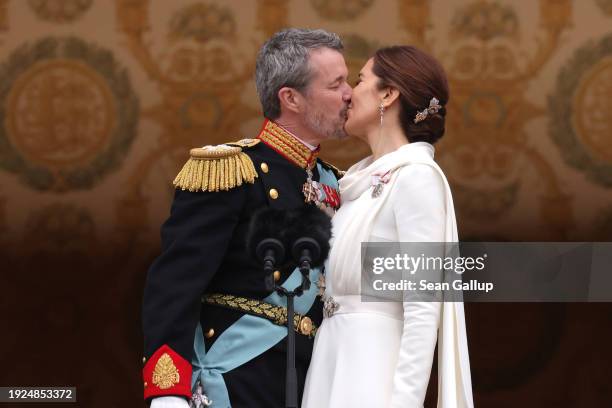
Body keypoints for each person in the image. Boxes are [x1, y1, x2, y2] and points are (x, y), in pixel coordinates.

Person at [142, 28, 351, 408]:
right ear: (291, 98)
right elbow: (174, 283)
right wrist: (167, 389)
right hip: (237, 380)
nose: (350, 94)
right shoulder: (231, 170)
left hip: (311, 385)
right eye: (336, 84)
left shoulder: (337, 182)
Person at [302, 46, 474, 408]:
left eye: (361, 79)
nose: (349, 92)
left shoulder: (415, 179)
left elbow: (423, 308)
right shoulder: (356, 186)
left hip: (372, 371)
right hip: (330, 361)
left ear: (388, 93)